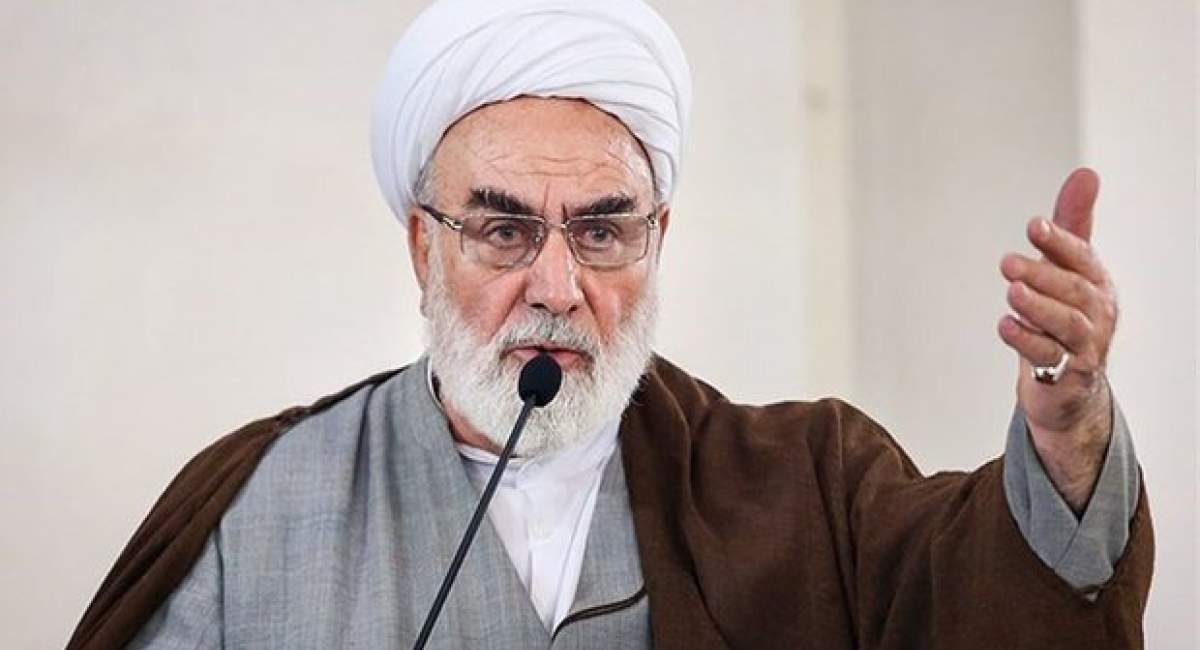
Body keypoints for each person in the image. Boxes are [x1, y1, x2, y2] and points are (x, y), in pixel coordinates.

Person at [67, 1, 1150, 648]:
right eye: (503, 231)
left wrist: (1067, 434)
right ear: (422, 246)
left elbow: (978, 599)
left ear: (656, 238)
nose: (556, 285)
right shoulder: (257, 506)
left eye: (600, 231)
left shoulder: (806, 482)